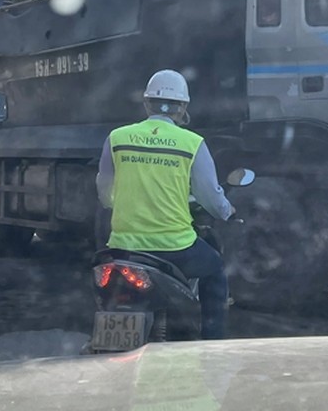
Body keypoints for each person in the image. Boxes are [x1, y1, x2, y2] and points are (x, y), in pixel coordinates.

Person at [96, 69, 235, 340]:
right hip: (175, 248)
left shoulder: (117, 138)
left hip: (124, 247)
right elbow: (210, 197)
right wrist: (228, 212)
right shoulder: (192, 143)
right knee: (215, 269)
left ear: (146, 103)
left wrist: (119, 203)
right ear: (183, 107)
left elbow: (104, 190)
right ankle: (213, 342)